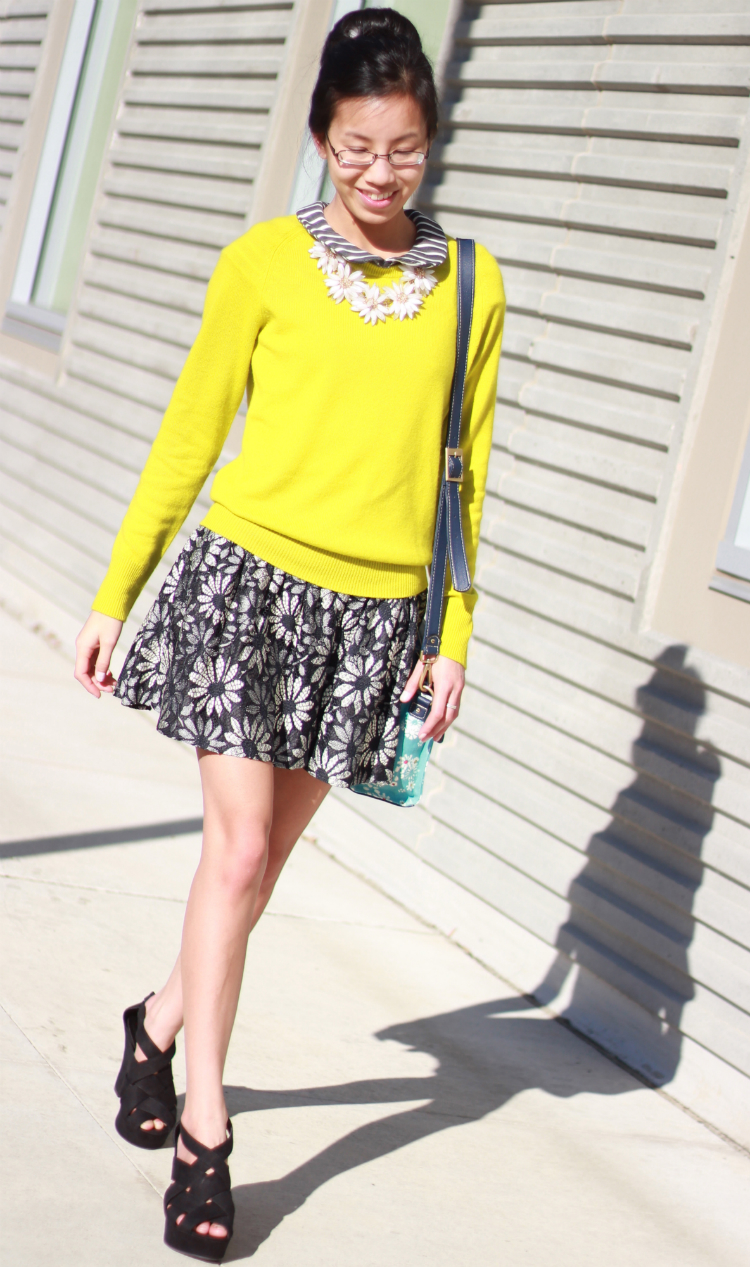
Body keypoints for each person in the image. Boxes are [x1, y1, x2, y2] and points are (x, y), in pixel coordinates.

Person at [73, 8, 504, 1259]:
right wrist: (117, 591)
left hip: (373, 620)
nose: (382, 172)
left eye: (405, 149)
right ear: (321, 138)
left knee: (256, 870)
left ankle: (157, 1024)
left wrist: (452, 633)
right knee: (240, 849)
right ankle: (206, 1131)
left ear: (430, 141)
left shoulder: (472, 285)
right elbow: (190, 434)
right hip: (248, 591)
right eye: (358, 148)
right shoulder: (263, 263)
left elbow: (465, 478)